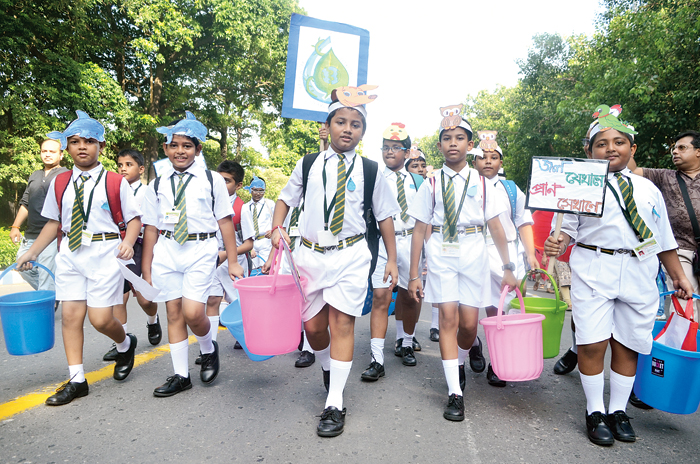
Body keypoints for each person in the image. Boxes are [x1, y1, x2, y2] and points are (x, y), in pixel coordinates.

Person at [544, 105, 693, 446]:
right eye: (601, 143)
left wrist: (677, 277)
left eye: (619, 142)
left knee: (628, 343)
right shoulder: (579, 187)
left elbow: (663, 239)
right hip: (595, 268)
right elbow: (565, 231)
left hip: (639, 271)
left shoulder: (647, 189)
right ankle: (595, 410)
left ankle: (618, 410)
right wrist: (557, 240)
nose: (611, 148)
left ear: (632, 148)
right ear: (589, 151)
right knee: (592, 341)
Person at [270, 88, 399, 437]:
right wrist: (277, 229)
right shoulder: (308, 164)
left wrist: (392, 260)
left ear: (362, 131)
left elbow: (385, 217)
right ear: (327, 127)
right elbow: (285, 199)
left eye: (356, 124)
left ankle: (335, 402)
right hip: (309, 255)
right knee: (313, 329)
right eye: (341, 122)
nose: (348, 129)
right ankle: (328, 367)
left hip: (351, 255)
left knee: (342, 324)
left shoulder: (372, 171)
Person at [16, 111, 142, 405]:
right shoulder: (60, 183)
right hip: (70, 254)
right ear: (67, 148)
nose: (82, 147)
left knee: (100, 319)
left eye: (89, 141)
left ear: (101, 146)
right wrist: (32, 252)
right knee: (71, 317)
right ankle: (77, 380)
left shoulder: (115, 182)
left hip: (105, 253)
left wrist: (127, 242)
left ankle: (125, 343)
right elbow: (53, 223)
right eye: (74, 142)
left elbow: (135, 219)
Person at [408, 111, 516, 422]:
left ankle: (466, 351)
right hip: (441, 250)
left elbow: (495, 226)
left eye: (459, 138)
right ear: (440, 146)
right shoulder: (429, 184)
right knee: (448, 319)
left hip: (473, 250)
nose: (452, 143)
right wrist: (415, 273)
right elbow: (419, 229)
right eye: (446, 138)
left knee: (469, 326)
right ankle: (455, 391)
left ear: (470, 145)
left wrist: (507, 264)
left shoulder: (484, 184)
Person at [141, 111, 244, 397]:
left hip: (201, 248)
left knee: (192, 312)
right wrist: (147, 268)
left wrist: (233, 261)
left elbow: (225, 221)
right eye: (174, 145)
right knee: (173, 312)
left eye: (187, 146)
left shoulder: (211, 180)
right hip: (167, 248)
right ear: (165, 149)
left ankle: (208, 348)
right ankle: (180, 375)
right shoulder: (157, 183)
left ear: (198, 150)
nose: (180, 151)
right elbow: (150, 227)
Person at [471, 140, 538, 388]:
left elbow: (523, 221)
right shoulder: (467, 186)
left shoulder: (511, 189)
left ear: (501, 161)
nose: (488, 161)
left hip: (506, 253)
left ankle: (497, 364)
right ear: (474, 161)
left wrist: (530, 254)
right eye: (482, 156)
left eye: (494, 156)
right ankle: (472, 344)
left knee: (502, 311)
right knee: (468, 309)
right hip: (475, 251)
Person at [361, 123, 424, 382]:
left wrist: (426, 255)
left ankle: (406, 343)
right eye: (386, 147)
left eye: (396, 148)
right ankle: (377, 358)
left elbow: (425, 219)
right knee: (380, 297)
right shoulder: (374, 177)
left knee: (411, 297)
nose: (389, 152)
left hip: (412, 242)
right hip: (384, 244)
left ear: (407, 152)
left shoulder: (419, 181)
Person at [628, 130, 700, 320]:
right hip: (680, 250)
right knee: (686, 303)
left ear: (698, 152)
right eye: (674, 148)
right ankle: (684, 347)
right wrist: (626, 142)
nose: (675, 152)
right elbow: (631, 171)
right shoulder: (663, 176)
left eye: (682, 147)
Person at [103, 149, 161, 362]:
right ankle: (122, 341)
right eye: (120, 165)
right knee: (119, 295)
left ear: (141, 168)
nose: (123, 168)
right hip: (117, 247)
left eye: (128, 164)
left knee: (145, 299)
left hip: (140, 245)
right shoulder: (113, 190)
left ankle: (153, 319)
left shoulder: (148, 191)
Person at [197, 159, 254, 364]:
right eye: (219, 180)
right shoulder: (206, 202)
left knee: (239, 303)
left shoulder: (241, 209)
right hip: (210, 261)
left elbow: (249, 243)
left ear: (238, 185)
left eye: (227, 181)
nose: (221, 185)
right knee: (211, 301)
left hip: (235, 262)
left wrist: (226, 255)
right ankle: (209, 348)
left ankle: (248, 336)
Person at [10, 139, 68, 294]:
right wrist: (15, 227)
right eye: (44, 151)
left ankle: (47, 300)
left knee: (46, 274)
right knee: (22, 266)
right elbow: (25, 202)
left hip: (52, 235)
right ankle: (52, 294)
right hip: (31, 234)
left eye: (52, 151)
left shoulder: (65, 175)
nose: (47, 154)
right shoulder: (35, 175)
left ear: (61, 155)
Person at [245, 176, 275, 269]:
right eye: (255, 190)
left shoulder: (270, 204)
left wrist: (273, 231)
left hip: (266, 241)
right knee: (253, 271)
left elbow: (277, 222)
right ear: (250, 189)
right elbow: (245, 228)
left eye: (261, 190)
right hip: (252, 243)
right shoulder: (246, 207)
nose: (258, 193)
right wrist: (250, 248)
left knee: (266, 269)